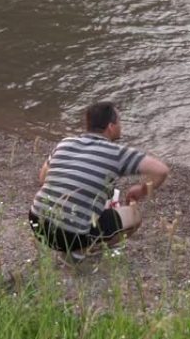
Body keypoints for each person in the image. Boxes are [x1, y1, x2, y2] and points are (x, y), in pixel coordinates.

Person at [29, 101, 169, 260]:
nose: (121, 126)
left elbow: (42, 178)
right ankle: (79, 252)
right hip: (70, 235)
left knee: (92, 209)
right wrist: (141, 190)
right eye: (119, 122)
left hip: (37, 222)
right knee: (135, 216)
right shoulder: (116, 153)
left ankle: (72, 245)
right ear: (111, 127)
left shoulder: (65, 143)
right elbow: (161, 170)